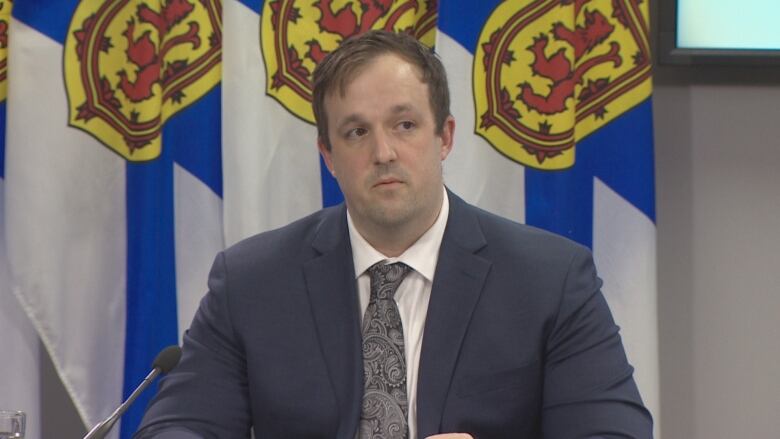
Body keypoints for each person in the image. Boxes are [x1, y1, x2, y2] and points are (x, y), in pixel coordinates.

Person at [135, 30, 652, 438]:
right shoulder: (253, 282)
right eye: (357, 132)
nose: (383, 152)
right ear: (328, 156)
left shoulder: (550, 280)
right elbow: (181, 425)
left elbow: (613, 433)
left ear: (443, 136)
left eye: (404, 125)